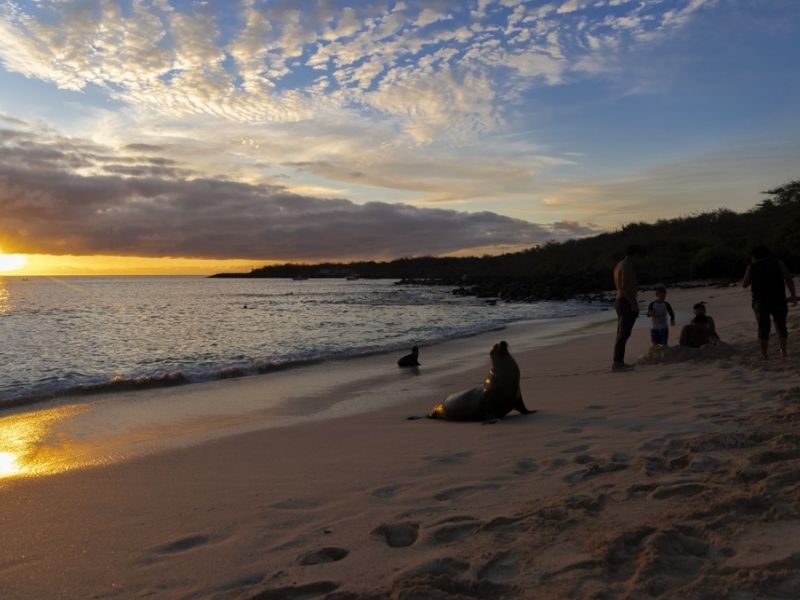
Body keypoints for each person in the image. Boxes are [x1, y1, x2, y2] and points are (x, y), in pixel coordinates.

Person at [742, 245, 797, 359]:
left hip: (760, 301)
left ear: (754, 256)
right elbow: (788, 278)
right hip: (779, 299)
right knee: (781, 325)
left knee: (763, 327)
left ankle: (764, 353)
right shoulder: (778, 263)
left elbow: (745, 284)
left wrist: (750, 272)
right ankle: (784, 351)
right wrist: (793, 294)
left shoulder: (752, 266)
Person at [612, 244, 645, 371]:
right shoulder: (627, 265)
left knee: (622, 333)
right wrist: (633, 303)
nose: (640, 259)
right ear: (634, 254)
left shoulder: (619, 265)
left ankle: (618, 361)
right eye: (639, 256)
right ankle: (617, 363)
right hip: (625, 301)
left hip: (620, 301)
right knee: (624, 333)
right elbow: (625, 286)